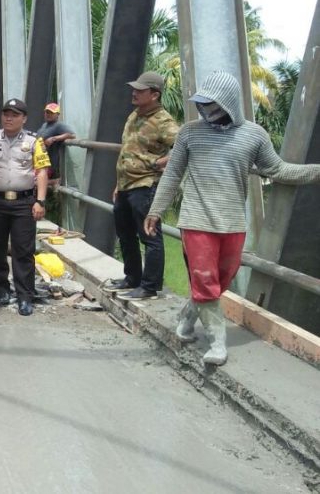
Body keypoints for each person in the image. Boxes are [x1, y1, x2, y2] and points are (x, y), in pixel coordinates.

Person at [145, 71, 320, 366]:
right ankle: (217, 344)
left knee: (220, 281)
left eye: (210, 104)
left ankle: (186, 318)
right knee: (205, 281)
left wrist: (316, 171)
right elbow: (173, 173)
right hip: (197, 219)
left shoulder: (254, 136)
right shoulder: (189, 133)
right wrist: (156, 210)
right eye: (201, 104)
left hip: (233, 222)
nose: (205, 110)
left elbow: (277, 170)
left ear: (228, 103)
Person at [0, 98, 50, 316]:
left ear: (24, 118)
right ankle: (2, 290)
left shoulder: (35, 142)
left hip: (24, 203)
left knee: (23, 250)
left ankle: (25, 297)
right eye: (6, 113)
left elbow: (42, 172)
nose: (9, 118)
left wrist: (40, 201)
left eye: (14, 114)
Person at [108, 71, 180, 301]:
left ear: (155, 95)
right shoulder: (135, 115)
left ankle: (149, 287)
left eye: (140, 90)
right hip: (126, 185)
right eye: (135, 88)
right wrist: (118, 184)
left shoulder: (163, 121)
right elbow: (126, 150)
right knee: (125, 233)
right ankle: (132, 278)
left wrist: (161, 162)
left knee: (149, 236)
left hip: (145, 185)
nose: (134, 92)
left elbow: (184, 146)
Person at [35, 103, 76, 183]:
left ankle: (55, 183)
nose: (48, 114)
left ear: (57, 114)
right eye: (47, 112)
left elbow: (72, 134)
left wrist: (54, 138)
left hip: (49, 165)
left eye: (51, 113)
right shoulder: (44, 125)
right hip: (40, 162)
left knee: (34, 182)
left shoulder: (59, 125)